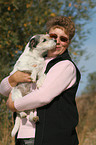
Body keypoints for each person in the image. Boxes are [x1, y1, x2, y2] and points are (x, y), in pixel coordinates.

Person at [0, 16, 81, 145]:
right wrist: (13, 79)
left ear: (69, 43)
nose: (57, 41)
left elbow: (43, 96)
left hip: (53, 138)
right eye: (53, 36)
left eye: (63, 39)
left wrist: (13, 105)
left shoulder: (65, 66)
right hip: (24, 136)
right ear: (46, 35)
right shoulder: (37, 60)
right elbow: (3, 90)